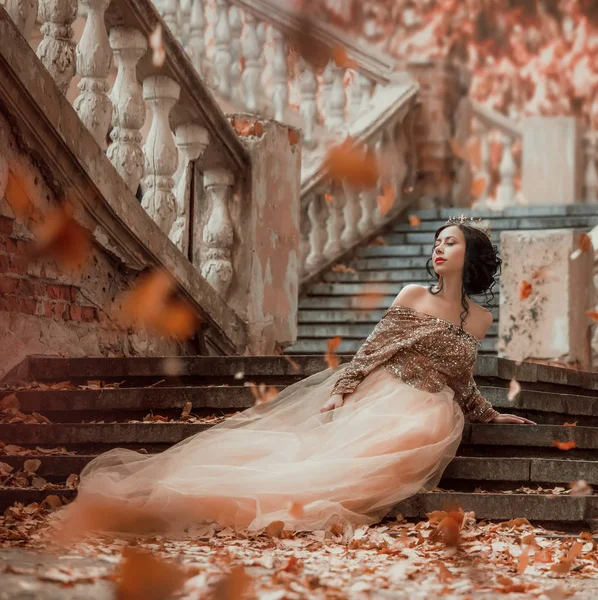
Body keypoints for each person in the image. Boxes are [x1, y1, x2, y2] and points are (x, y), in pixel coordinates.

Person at [53, 216, 534, 540]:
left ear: (470, 255)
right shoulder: (413, 295)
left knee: (394, 449)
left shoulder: (480, 320)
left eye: (450, 242)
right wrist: (342, 392)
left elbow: (460, 381)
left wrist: (495, 415)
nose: (439, 249)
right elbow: (372, 351)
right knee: (318, 469)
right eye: (436, 241)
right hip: (388, 393)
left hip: (433, 411)